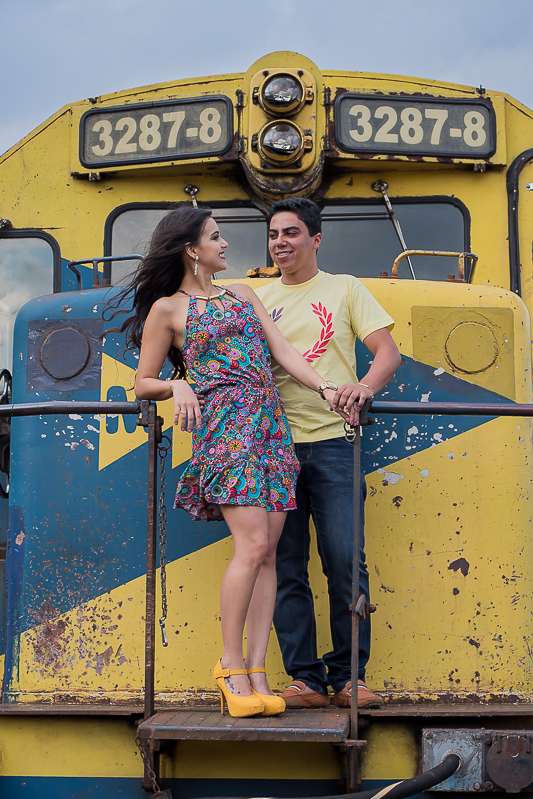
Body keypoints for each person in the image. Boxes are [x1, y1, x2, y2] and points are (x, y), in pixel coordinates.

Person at [126, 205, 344, 719]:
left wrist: (326, 388)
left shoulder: (243, 294)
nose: (226, 246)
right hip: (226, 431)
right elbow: (142, 382)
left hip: (270, 428)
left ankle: (258, 669)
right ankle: (229, 667)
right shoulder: (167, 310)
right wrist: (178, 382)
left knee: (269, 553)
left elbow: (284, 352)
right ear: (191, 249)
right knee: (252, 546)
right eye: (216, 238)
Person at [255, 197, 402, 709]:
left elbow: (388, 352)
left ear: (315, 239)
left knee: (344, 561)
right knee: (282, 563)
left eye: (292, 233)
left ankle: (349, 677)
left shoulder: (345, 289)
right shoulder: (257, 299)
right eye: (274, 234)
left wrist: (364, 387)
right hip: (272, 451)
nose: (281, 242)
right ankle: (306, 681)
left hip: (336, 444)